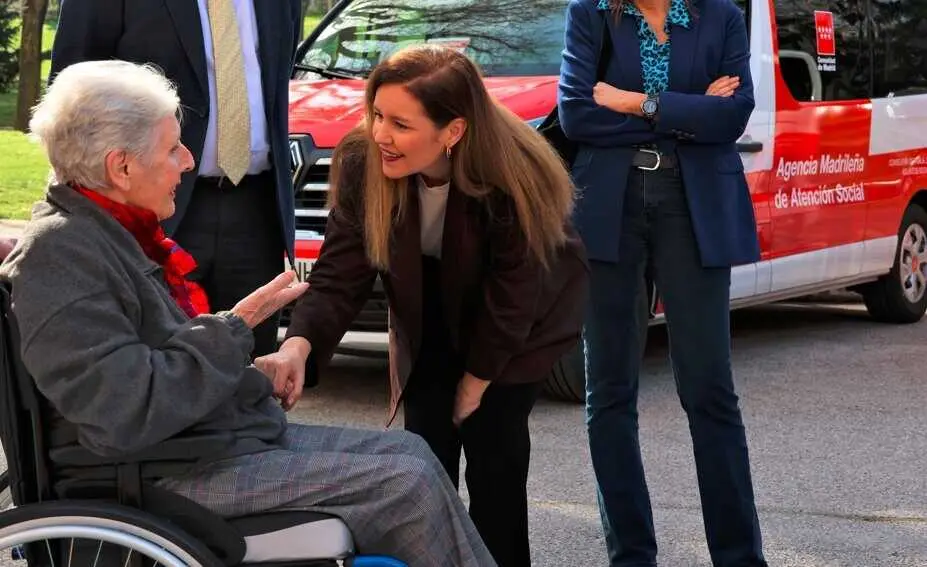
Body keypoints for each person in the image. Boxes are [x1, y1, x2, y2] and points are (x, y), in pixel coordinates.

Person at [0, 59, 496, 567]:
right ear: (121, 167)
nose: (189, 161)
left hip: (188, 449)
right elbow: (125, 412)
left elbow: (148, 367)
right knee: (404, 485)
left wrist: (243, 375)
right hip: (155, 473)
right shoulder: (60, 255)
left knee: (413, 454)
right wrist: (232, 329)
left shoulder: (101, 235)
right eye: (173, 148)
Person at [256, 44, 589, 567]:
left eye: (401, 124)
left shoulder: (510, 172)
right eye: (378, 115)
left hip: (518, 323)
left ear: (452, 131)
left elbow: (515, 295)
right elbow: (339, 276)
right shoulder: (367, 160)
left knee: (495, 465)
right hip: (431, 310)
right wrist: (297, 346)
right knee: (423, 465)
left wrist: (475, 386)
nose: (381, 134)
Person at [557, 0, 767, 565]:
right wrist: (686, 113)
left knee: (709, 389)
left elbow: (734, 114)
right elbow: (576, 115)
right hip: (609, 207)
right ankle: (631, 556)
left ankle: (740, 557)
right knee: (609, 392)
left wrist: (635, 102)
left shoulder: (719, 14)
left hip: (692, 204)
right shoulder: (591, 14)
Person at [49, 0, 303, 357]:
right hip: (146, 210)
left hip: (257, 209)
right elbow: (71, 96)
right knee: (156, 370)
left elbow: (277, 72)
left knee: (249, 375)